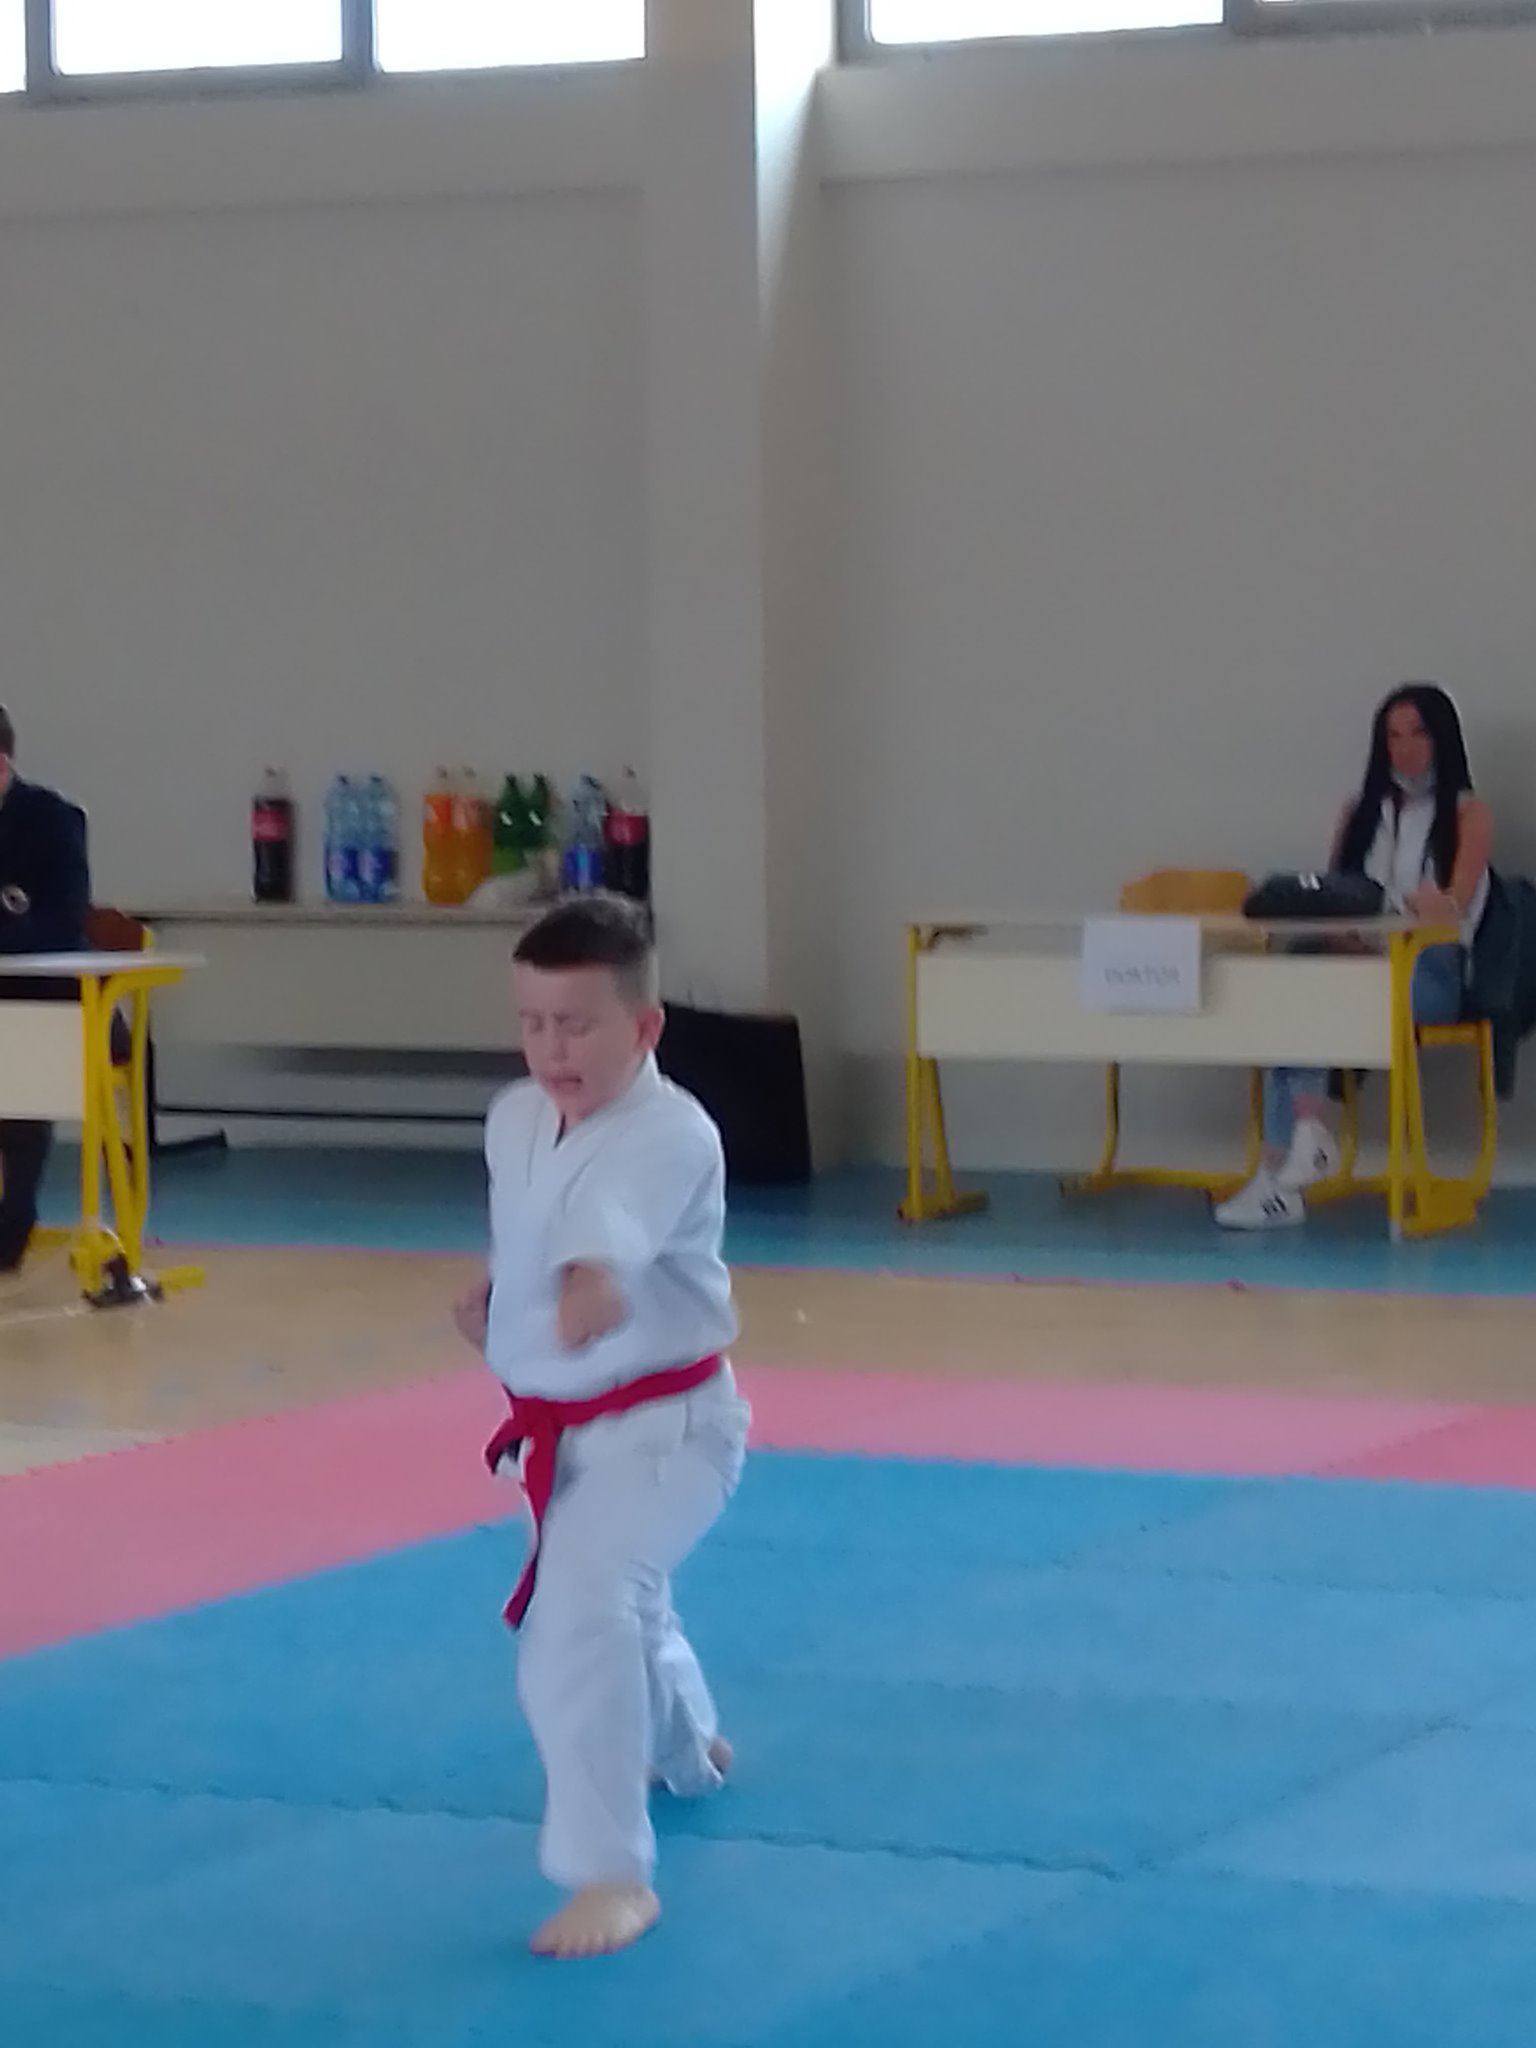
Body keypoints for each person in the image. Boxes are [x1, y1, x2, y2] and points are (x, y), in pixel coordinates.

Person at [452, 893, 749, 1960]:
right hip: (563, 1427)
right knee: (625, 1597)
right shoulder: (516, 1117)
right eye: (533, 1022)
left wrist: (592, 1287)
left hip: (671, 1428)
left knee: (580, 1614)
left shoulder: (672, 1132)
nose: (551, 1048)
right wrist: (501, 1300)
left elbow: (605, 1236)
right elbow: (536, 1228)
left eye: (576, 1025)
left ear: (646, 1025)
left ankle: (611, 1874)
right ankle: (686, 1746)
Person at [1216, 683, 1493, 1231]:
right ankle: (1291, 1158)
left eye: (1418, 734)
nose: (1405, 748)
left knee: (1324, 1000)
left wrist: (1413, 909)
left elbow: (1452, 909)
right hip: (1360, 962)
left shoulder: (1469, 815)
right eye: (1393, 736)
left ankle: (1293, 1159)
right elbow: (1335, 900)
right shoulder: (1359, 812)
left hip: (1428, 969)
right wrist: (1351, 933)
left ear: (1442, 739)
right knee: (1294, 985)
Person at [0, 706, 91, 1274]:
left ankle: (13, 1219)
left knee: (18, 1056)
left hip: (42, 996)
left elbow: (63, 921)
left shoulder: (53, 821)